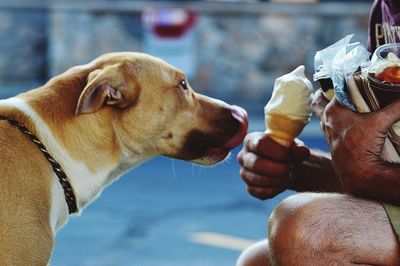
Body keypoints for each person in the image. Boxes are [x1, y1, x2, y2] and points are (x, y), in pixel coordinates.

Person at [236, 0, 400, 265]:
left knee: (304, 229)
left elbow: (376, 177)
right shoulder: (383, 10)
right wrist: (301, 168)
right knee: (255, 260)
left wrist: (374, 175)